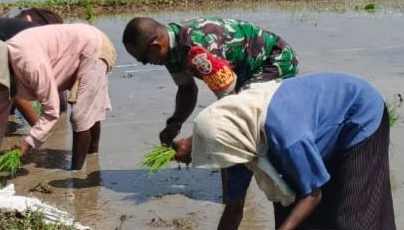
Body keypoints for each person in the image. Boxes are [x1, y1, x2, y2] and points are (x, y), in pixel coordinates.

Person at [170, 72, 396, 230]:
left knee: (350, 218)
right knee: (286, 201)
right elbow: (232, 211)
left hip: (359, 114)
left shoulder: (287, 137)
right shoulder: (235, 140)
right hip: (310, 123)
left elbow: (313, 194)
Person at [121, 16, 299, 145]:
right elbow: (187, 89)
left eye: (143, 59)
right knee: (244, 132)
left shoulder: (196, 49)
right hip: (243, 72)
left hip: (273, 60)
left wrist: (193, 145)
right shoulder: (170, 52)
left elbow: (232, 104)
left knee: (251, 119)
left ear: (156, 46)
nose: (146, 63)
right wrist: (175, 123)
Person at [0, 23, 115, 173]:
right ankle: (91, 158)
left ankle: (76, 174)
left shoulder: (29, 62)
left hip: (93, 48)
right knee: (87, 111)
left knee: (80, 116)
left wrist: (28, 143)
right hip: (82, 47)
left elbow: (52, 110)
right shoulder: (4, 66)